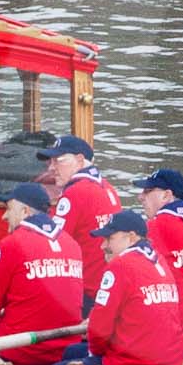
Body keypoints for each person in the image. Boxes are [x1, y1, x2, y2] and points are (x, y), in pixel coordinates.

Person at [54, 209, 183, 365]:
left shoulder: (121, 265)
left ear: (131, 237)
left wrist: (95, 351)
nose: (102, 246)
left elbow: (99, 332)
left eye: (109, 239)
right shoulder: (159, 261)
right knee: (72, 352)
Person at [0, 181, 85, 365]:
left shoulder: (11, 244)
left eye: (9, 209)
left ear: (25, 211)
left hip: (19, 350)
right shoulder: (71, 244)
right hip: (66, 347)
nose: (5, 216)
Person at [135, 168, 183, 365]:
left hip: (171, 341)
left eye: (147, 191)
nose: (140, 197)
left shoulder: (155, 226)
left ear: (166, 195)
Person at [38, 134, 118, 312]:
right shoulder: (108, 188)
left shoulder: (75, 193)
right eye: (50, 162)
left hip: (84, 293)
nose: (52, 168)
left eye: (58, 161)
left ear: (80, 160)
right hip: (106, 287)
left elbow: (51, 244)